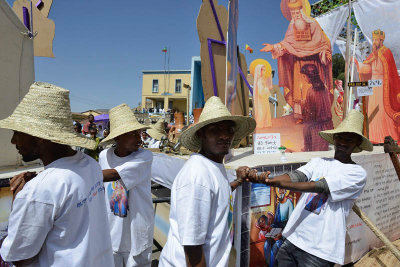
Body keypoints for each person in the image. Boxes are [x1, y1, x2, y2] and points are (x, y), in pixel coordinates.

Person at [0, 82, 113, 266]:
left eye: (18, 132)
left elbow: (19, 257)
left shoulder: (38, 192)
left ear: (39, 136)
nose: (13, 141)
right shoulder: (90, 165)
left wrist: (18, 199)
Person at [247, 109, 373, 266]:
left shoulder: (357, 173)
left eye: (349, 139)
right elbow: (295, 176)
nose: (342, 142)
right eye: (340, 137)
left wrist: (273, 182)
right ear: (334, 138)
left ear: (357, 144)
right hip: (293, 238)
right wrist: (267, 178)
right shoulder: (319, 162)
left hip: (320, 250)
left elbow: (320, 186)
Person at [159, 96, 258, 266]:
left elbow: (217, 196)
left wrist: (237, 182)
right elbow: (192, 247)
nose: (224, 136)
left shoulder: (212, 166)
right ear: (201, 133)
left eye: (229, 130)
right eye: (215, 129)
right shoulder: (197, 176)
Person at [99, 104, 154, 267]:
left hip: (137, 233)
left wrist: (79, 174)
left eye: (139, 133)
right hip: (111, 233)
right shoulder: (104, 156)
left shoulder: (144, 156)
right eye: (132, 134)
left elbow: (114, 175)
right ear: (117, 138)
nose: (139, 138)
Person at [261, 0, 332, 123]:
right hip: (298, 64)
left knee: (313, 88)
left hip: (313, 62)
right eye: (292, 12)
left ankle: (316, 114)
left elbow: (323, 43)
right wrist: (273, 47)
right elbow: (286, 44)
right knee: (299, 90)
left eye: (297, 11)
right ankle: (302, 115)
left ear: (302, 10)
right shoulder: (292, 27)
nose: (295, 14)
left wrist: (324, 52)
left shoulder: (313, 24)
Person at [355, 29, 400, 144]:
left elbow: (391, 72)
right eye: (373, 39)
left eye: (376, 40)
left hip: (383, 86)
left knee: (382, 110)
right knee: (371, 110)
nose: (374, 42)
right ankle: (373, 136)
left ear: (381, 40)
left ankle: (386, 135)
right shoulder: (372, 54)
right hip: (372, 85)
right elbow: (366, 68)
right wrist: (357, 64)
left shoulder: (387, 52)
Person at [300, 64, 333, 151]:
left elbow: (311, 110)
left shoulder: (311, 90)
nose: (304, 78)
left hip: (316, 125)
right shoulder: (323, 88)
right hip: (323, 125)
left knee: (315, 152)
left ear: (310, 76)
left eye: (304, 76)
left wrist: (303, 104)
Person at [253, 64, 272, 128]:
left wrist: (267, 88)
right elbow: (260, 91)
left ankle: (266, 123)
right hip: (261, 99)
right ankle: (261, 123)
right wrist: (267, 89)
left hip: (264, 98)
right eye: (263, 70)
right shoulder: (259, 80)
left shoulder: (263, 79)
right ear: (259, 71)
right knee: (261, 111)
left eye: (264, 70)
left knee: (266, 110)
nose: (264, 71)